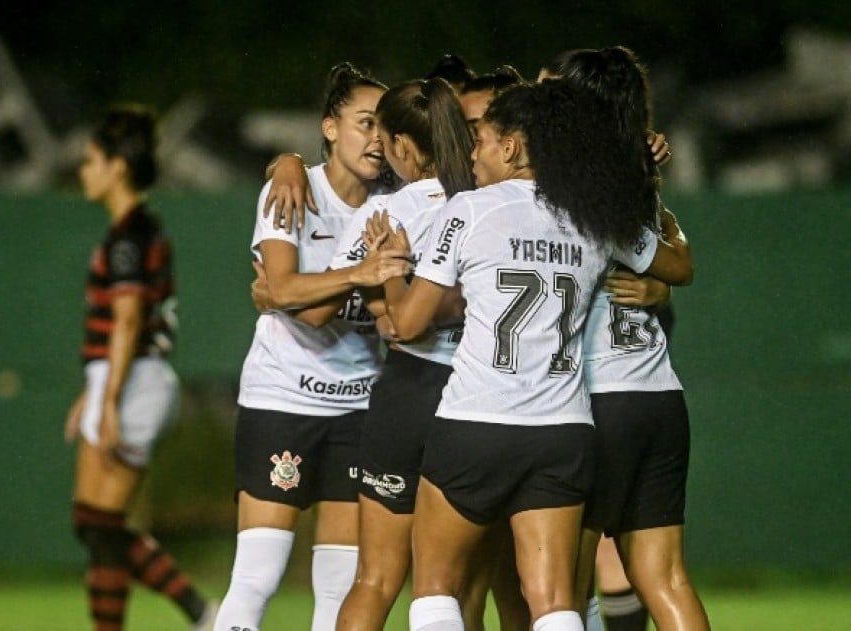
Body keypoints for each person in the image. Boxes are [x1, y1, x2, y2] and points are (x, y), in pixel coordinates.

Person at [369, 79, 692, 631]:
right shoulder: (595, 214)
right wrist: (656, 282)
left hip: (476, 424)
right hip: (563, 431)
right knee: (553, 601)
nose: (472, 153)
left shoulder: (468, 209)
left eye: (483, 141)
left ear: (513, 147)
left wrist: (389, 272)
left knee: (435, 588)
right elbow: (677, 266)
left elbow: (408, 324)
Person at [213, 62, 410, 631]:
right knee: (258, 576)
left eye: (385, 127)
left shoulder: (397, 203)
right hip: (283, 401)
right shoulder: (292, 191)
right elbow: (281, 290)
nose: (377, 139)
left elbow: (297, 295)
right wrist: (361, 271)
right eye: (364, 123)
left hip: (359, 408)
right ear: (329, 127)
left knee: (339, 587)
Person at [542, 46, 711, 631]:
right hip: (660, 397)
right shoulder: (630, 179)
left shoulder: (564, 187)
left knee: (565, 583)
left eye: (550, 90)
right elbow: (676, 260)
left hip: (598, 400)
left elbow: (670, 266)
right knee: (664, 579)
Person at [318, 77, 476, 631]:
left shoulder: (388, 214)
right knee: (457, 588)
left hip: (410, 391)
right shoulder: (487, 202)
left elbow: (335, 301)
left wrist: (388, 292)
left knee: (377, 578)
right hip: (482, 399)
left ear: (405, 147)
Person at [64, 105, 217, 631]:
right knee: (95, 527)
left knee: (101, 526)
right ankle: (201, 614)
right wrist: (92, 392)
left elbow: (129, 323)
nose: (83, 170)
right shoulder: (132, 230)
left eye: (91, 160)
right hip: (118, 379)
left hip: (135, 381)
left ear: (117, 166)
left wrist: (107, 401)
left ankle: (203, 613)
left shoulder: (131, 235)